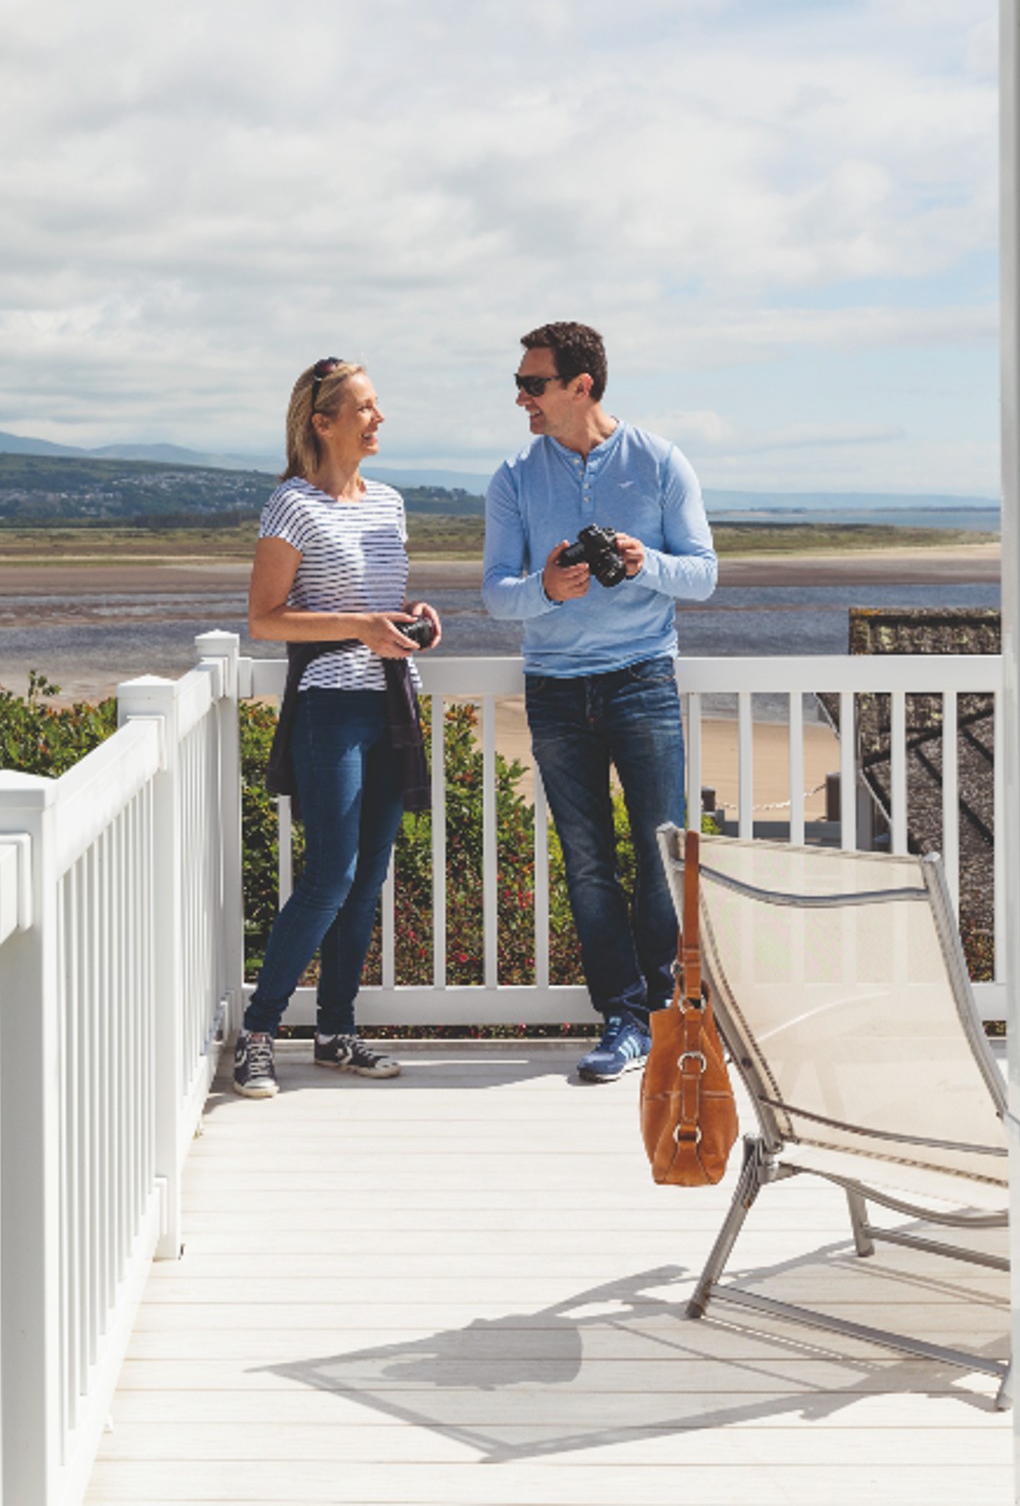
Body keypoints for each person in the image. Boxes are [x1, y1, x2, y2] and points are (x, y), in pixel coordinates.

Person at [482, 320, 717, 1082]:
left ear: (581, 386)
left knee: (661, 855)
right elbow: (497, 594)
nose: (521, 398)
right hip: (554, 689)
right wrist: (547, 588)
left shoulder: (659, 461)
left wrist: (646, 563)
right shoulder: (514, 477)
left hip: (642, 679)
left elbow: (704, 573)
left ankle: (665, 1012)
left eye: (534, 384)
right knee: (587, 864)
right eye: (520, 384)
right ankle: (623, 1018)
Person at [232, 356, 440, 1099]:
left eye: (376, 405)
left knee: (367, 880)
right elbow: (265, 619)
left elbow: (373, 599)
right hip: (331, 706)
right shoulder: (291, 504)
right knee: (330, 875)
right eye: (364, 408)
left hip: (391, 702)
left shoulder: (389, 503)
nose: (378, 418)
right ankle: (258, 1035)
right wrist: (360, 626)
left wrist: (412, 617)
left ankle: (335, 1032)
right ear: (323, 424)